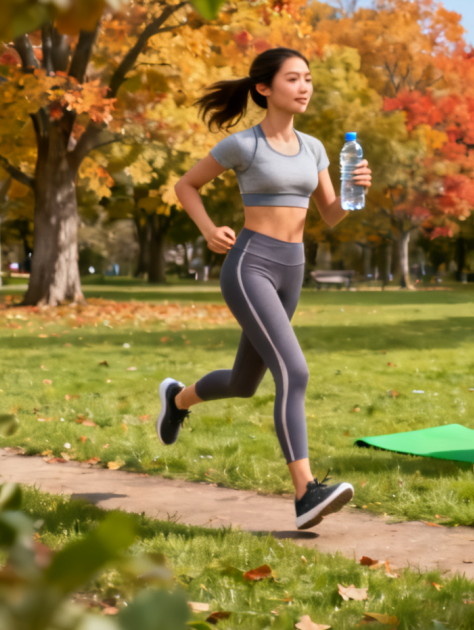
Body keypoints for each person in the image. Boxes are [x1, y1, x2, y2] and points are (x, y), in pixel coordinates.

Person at [156, 48, 372, 530]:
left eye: (308, 79)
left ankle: (177, 400)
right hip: (250, 265)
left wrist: (356, 189)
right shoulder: (244, 146)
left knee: (243, 382)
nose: (304, 87)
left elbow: (330, 214)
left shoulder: (315, 147)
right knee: (293, 372)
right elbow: (186, 185)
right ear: (264, 89)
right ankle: (305, 493)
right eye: (293, 79)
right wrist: (210, 230)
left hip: (292, 268)